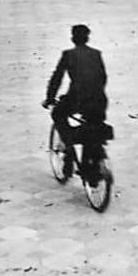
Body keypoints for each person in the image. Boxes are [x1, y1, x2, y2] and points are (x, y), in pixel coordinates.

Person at [43, 24, 110, 182]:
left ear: (73, 38)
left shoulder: (68, 55)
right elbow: (103, 77)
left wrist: (49, 98)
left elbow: (57, 78)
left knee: (57, 113)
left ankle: (69, 151)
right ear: (87, 38)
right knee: (93, 124)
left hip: (77, 99)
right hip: (99, 100)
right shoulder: (96, 54)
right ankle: (93, 161)